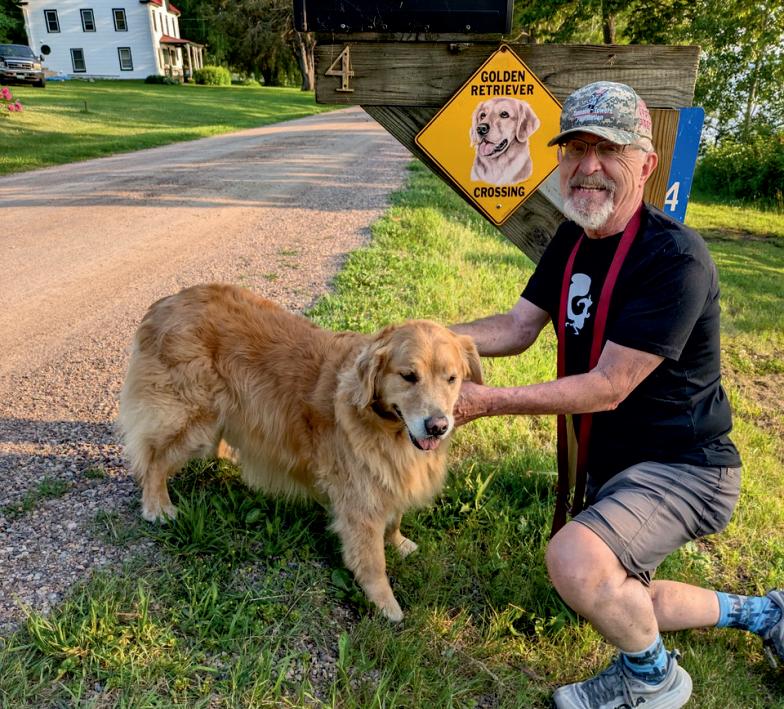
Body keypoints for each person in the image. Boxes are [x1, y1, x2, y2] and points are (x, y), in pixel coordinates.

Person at [451, 81, 783, 709]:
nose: (589, 166)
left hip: (687, 468)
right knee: (620, 593)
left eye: (610, 150)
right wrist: (427, 336)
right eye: (576, 148)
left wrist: (484, 402)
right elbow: (518, 328)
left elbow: (607, 388)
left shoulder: (674, 258)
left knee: (576, 563)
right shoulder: (573, 238)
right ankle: (765, 614)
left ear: (647, 164)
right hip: (619, 467)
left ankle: (652, 679)